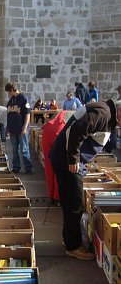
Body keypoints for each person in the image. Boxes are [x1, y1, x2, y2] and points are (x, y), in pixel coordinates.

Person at [49, 99, 121, 260]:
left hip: (66, 160)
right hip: (67, 162)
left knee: (71, 202)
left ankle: (69, 240)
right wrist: (74, 160)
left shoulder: (105, 112)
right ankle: (73, 246)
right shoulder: (103, 113)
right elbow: (76, 130)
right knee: (75, 204)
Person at [41, 111, 73, 204]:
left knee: (49, 165)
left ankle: (51, 195)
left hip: (47, 130)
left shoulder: (64, 113)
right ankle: (57, 197)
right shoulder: (84, 116)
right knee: (60, 166)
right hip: (59, 130)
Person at [5, 82, 32, 174]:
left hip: (21, 129)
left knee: (24, 149)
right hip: (12, 130)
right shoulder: (10, 101)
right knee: (14, 150)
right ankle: (16, 167)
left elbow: (27, 114)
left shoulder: (23, 99)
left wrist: (25, 127)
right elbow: (9, 115)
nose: (8, 94)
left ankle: (28, 167)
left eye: (9, 92)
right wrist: (7, 128)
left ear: (12, 90)